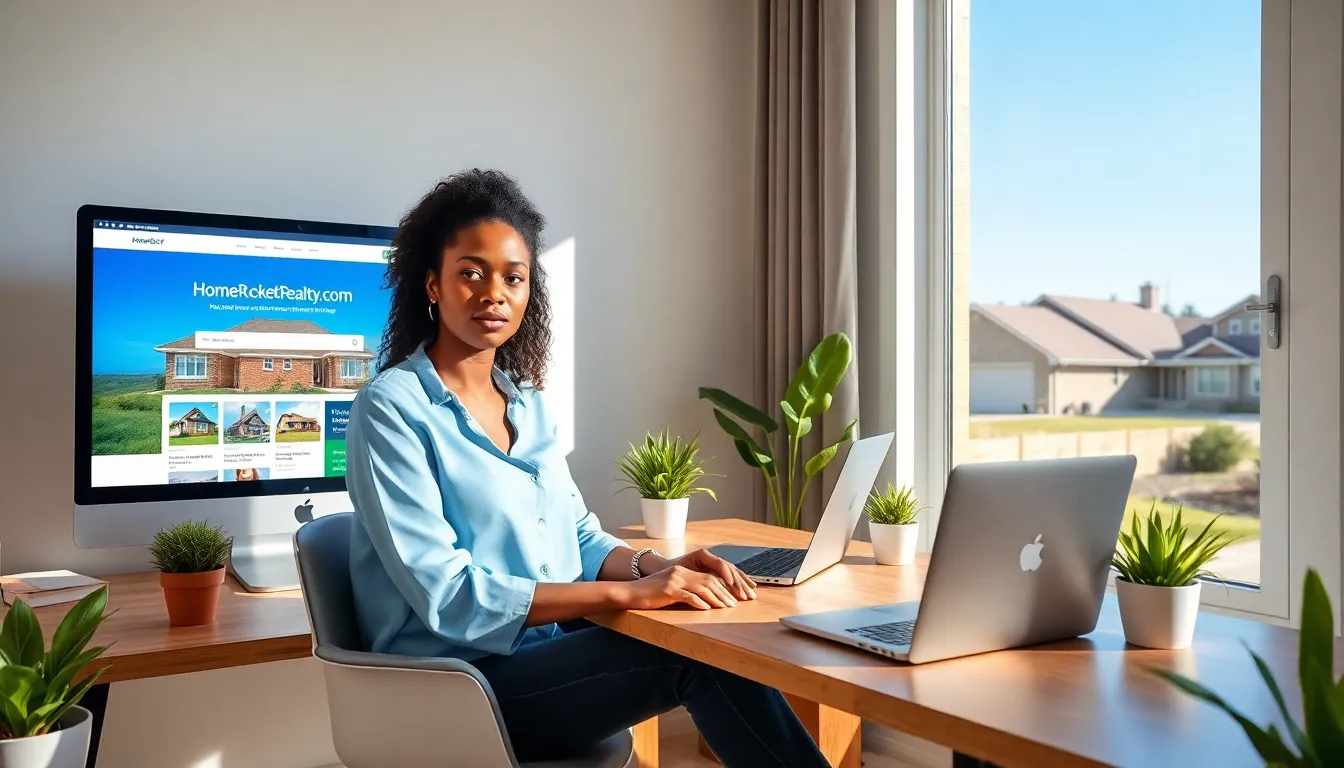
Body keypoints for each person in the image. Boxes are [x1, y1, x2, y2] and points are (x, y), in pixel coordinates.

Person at [345, 169, 829, 766]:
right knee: (694, 658)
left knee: (711, 635)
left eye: (513, 278)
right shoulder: (390, 408)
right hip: (454, 686)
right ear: (433, 285)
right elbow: (450, 597)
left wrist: (662, 567)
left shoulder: (526, 404)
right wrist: (633, 592)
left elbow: (577, 536)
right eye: (471, 273)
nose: (493, 293)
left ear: (528, 294)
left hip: (536, 654)